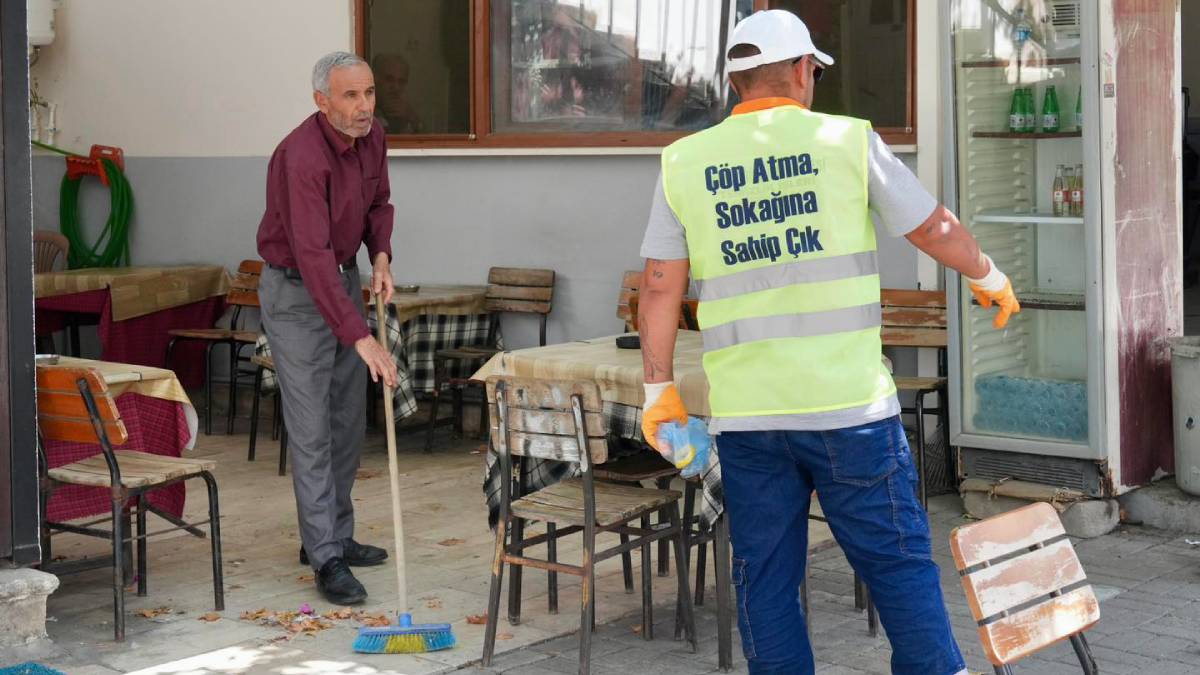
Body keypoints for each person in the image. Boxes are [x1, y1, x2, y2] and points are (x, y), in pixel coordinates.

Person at [637, 10, 1019, 675]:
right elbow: (931, 226)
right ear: (800, 70)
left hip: (750, 419)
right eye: (813, 68)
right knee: (897, 563)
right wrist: (986, 272)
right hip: (849, 413)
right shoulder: (846, 140)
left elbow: (660, 285)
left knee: (765, 580)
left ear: (735, 82)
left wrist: (657, 389)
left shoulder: (683, 161)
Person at [256, 51, 400, 605]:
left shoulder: (374, 137)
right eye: (350, 96)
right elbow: (311, 254)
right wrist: (359, 336)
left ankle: (332, 535)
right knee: (312, 425)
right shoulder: (300, 157)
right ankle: (326, 559)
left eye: (368, 93)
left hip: (342, 280)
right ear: (322, 101)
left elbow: (379, 204)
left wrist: (381, 255)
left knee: (345, 419)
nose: (364, 107)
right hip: (296, 292)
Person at [373, 53, 423, 134]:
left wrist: (413, 119)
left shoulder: (407, 114)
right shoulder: (364, 111)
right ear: (375, 79)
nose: (396, 87)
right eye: (389, 79)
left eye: (401, 81)